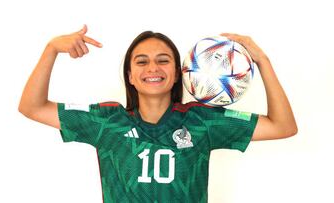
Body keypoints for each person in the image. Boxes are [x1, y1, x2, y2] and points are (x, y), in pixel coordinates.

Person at [18, 25, 297, 202]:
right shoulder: (108, 121)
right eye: (142, 62)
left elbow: (283, 126)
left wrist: (262, 61)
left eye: (163, 61)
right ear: (130, 75)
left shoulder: (201, 121)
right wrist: (52, 48)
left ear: (178, 74)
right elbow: (32, 106)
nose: (152, 68)